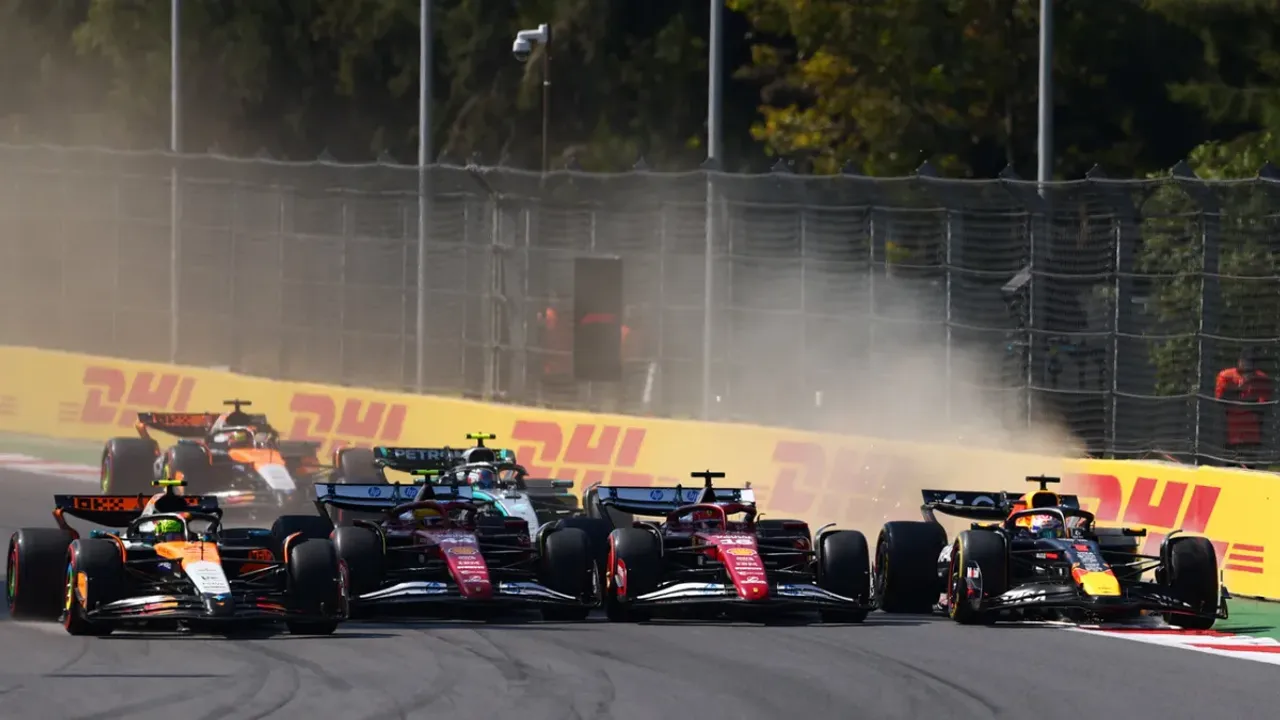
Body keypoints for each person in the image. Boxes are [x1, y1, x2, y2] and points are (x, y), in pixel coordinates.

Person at [1215, 348, 1273, 466]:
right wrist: (1239, 389)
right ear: (1239, 361)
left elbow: (1263, 405)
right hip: (1230, 428)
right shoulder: (1227, 376)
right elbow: (1220, 398)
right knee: (1229, 465)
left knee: (1249, 465)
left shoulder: (1261, 379)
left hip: (1251, 430)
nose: (1247, 366)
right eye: (1246, 362)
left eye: (1251, 364)